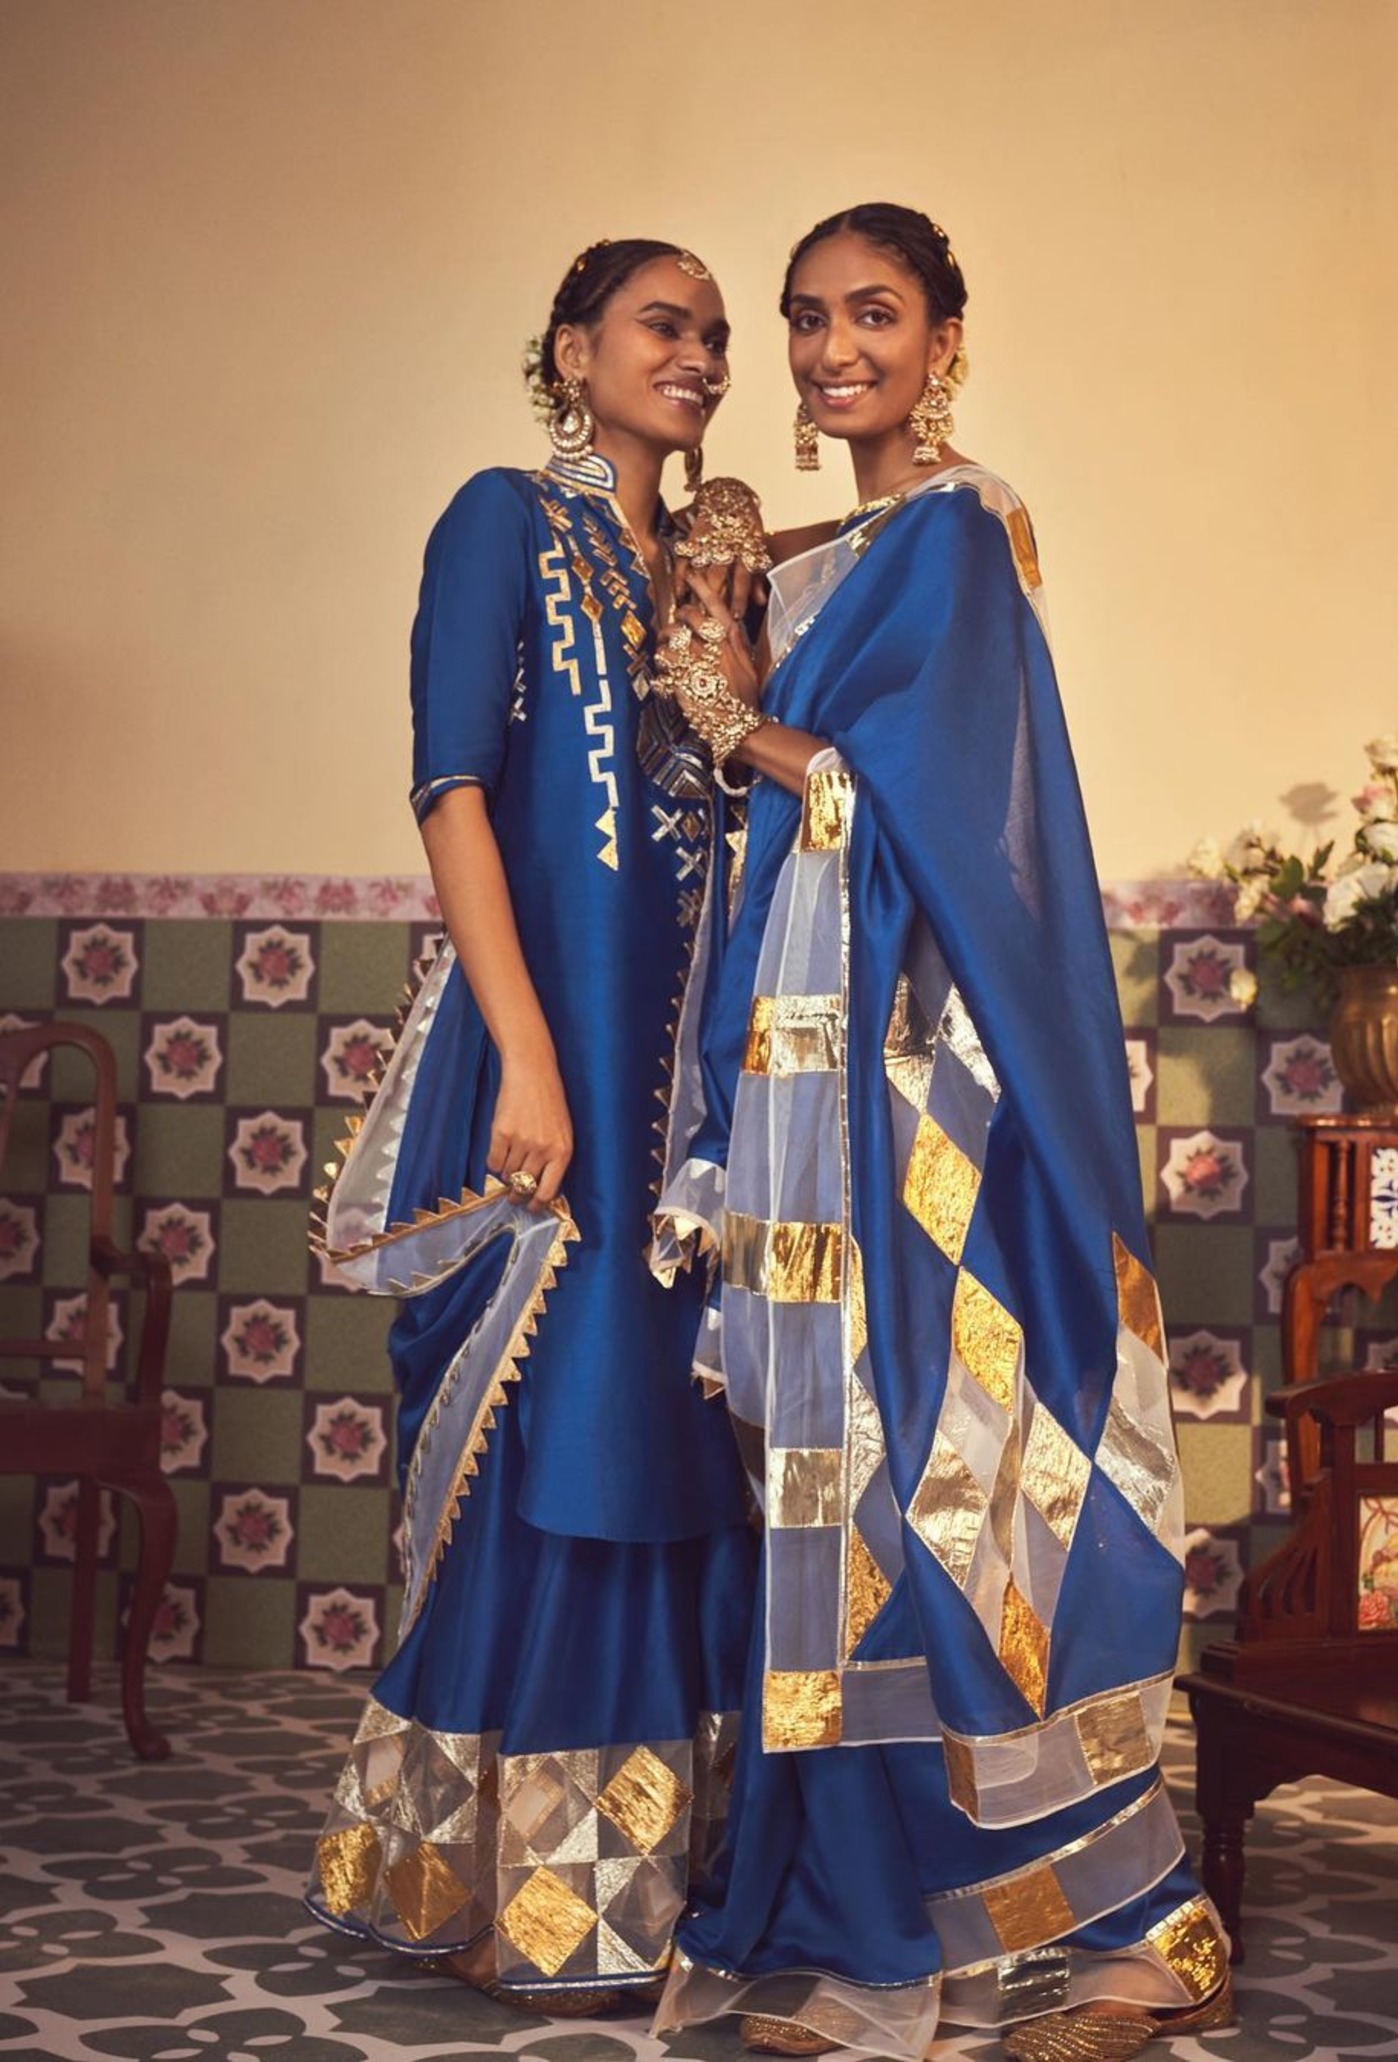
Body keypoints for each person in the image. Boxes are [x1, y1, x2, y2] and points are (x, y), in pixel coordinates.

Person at [649, 205, 1234, 2061]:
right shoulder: (837, 544)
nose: (832, 352)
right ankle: (863, 1924)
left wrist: (730, 714)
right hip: (810, 1109)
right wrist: (722, 652)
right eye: (808, 318)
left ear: (945, 337)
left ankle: (1131, 1930)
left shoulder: (960, 536)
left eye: (873, 316)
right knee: (822, 1493)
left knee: (964, 1482)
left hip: (930, 1114)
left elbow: (899, 816)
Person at [303, 238, 764, 2013]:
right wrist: (525, 1052)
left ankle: (657, 1881)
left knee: (670, 1433)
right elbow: (452, 787)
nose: (705, 357)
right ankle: (516, 1884)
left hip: (695, 1095)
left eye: (720, 336)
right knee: (560, 1432)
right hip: (553, 1071)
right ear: (572, 353)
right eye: (668, 325)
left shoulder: (700, 577)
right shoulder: (499, 518)